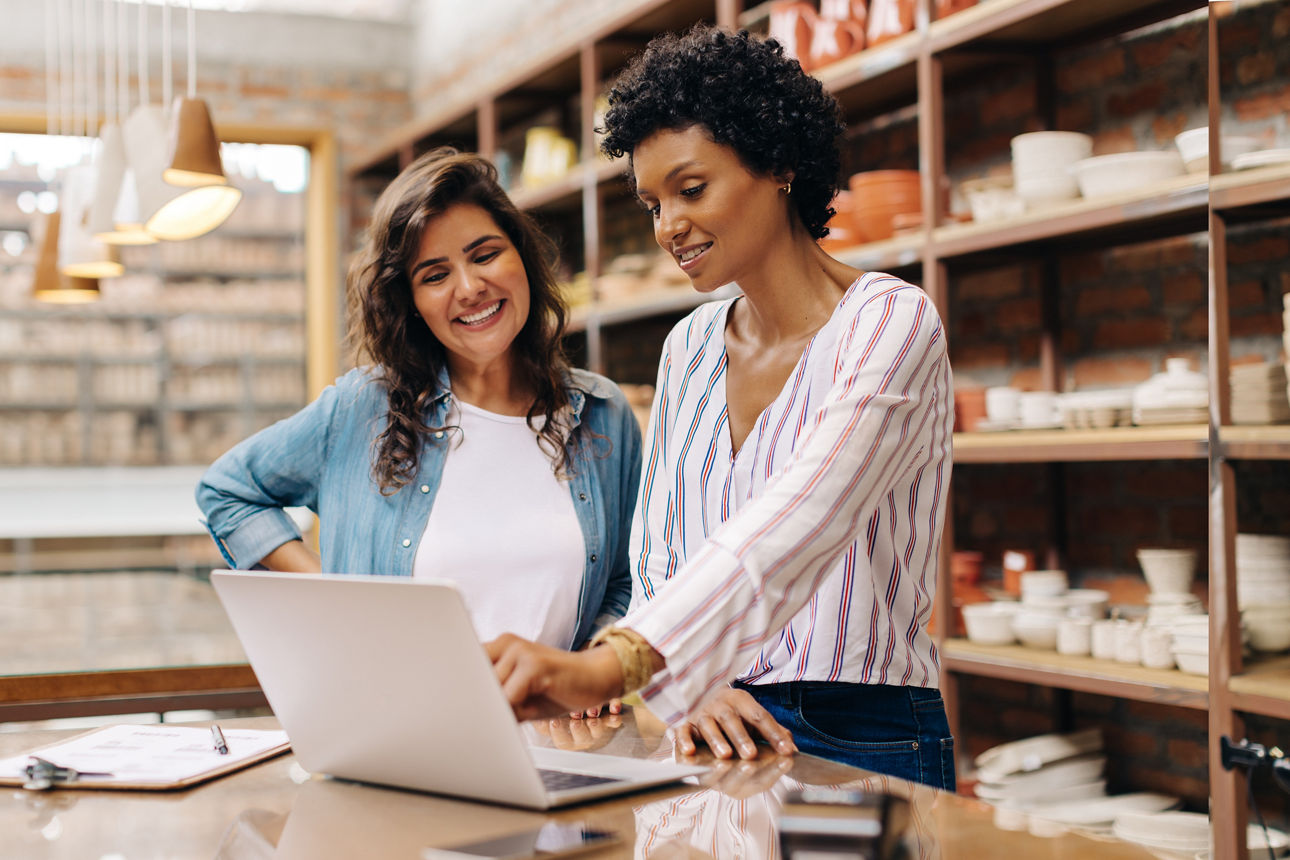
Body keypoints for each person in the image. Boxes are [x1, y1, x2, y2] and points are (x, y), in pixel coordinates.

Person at [486, 25, 956, 790]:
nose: (668, 225)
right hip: (708, 718)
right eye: (651, 202)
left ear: (778, 165)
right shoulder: (691, 345)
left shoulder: (889, 323)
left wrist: (616, 665)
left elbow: (803, 521)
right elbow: (660, 554)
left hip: (863, 732)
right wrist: (691, 685)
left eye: (691, 189)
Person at [197, 148, 642, 663]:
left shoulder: (601, 412)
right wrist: (335, 591)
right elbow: (227, 492)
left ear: (523, 257)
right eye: (435, 275)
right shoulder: (363, 408)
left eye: (485, 254)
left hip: (555, 740)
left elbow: (628, 579)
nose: (471, 288)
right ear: (409, 301)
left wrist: (594, 661)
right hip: (400, 729)